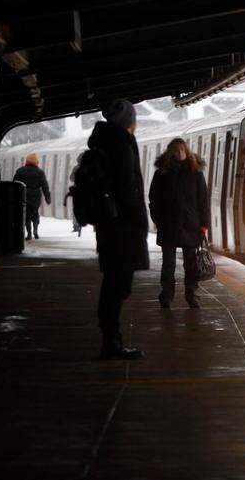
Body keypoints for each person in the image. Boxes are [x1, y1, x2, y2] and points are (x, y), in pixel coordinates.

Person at [89, 99, 149, 360]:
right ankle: (111, 342)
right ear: (128, 121)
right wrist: (140, 222)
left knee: (114, 281)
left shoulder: (104, 141)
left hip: (109, 224)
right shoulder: (121, 144)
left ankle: (110, 338)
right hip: (122, 226)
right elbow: (128, 190)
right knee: (118, 283)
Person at [148, 138, 210, 309]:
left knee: (191, 263)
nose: (180, 153)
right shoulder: (162, 172)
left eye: (182, 150)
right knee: (168, 264)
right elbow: (154, 198)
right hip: (168, 225)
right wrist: (158, 219)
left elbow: (203, 200)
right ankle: (166, 296)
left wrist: (204, 225)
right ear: (170, 153)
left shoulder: (196, 172)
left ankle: (192, 295)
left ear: (187, 151)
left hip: (191, 226)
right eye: (176, 151)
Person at [13, 153, 51, 240]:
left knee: (26, 215)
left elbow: (15, 184)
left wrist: (14, 196)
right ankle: (36, 230)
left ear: (27, 161)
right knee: (35, 213)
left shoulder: (20, 171)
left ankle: (29, 233)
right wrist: (47, 197)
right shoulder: (40, 172)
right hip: (36, 196)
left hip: (24, 195)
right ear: (36, 162)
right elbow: (45, 186)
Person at [64, 155, 83, 236]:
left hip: (78, 191)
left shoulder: (76, 168)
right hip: (89, 191)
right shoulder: (92, 167)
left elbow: (71, 178)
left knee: (76, 209)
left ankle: (76, 226)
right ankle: (95, 226)